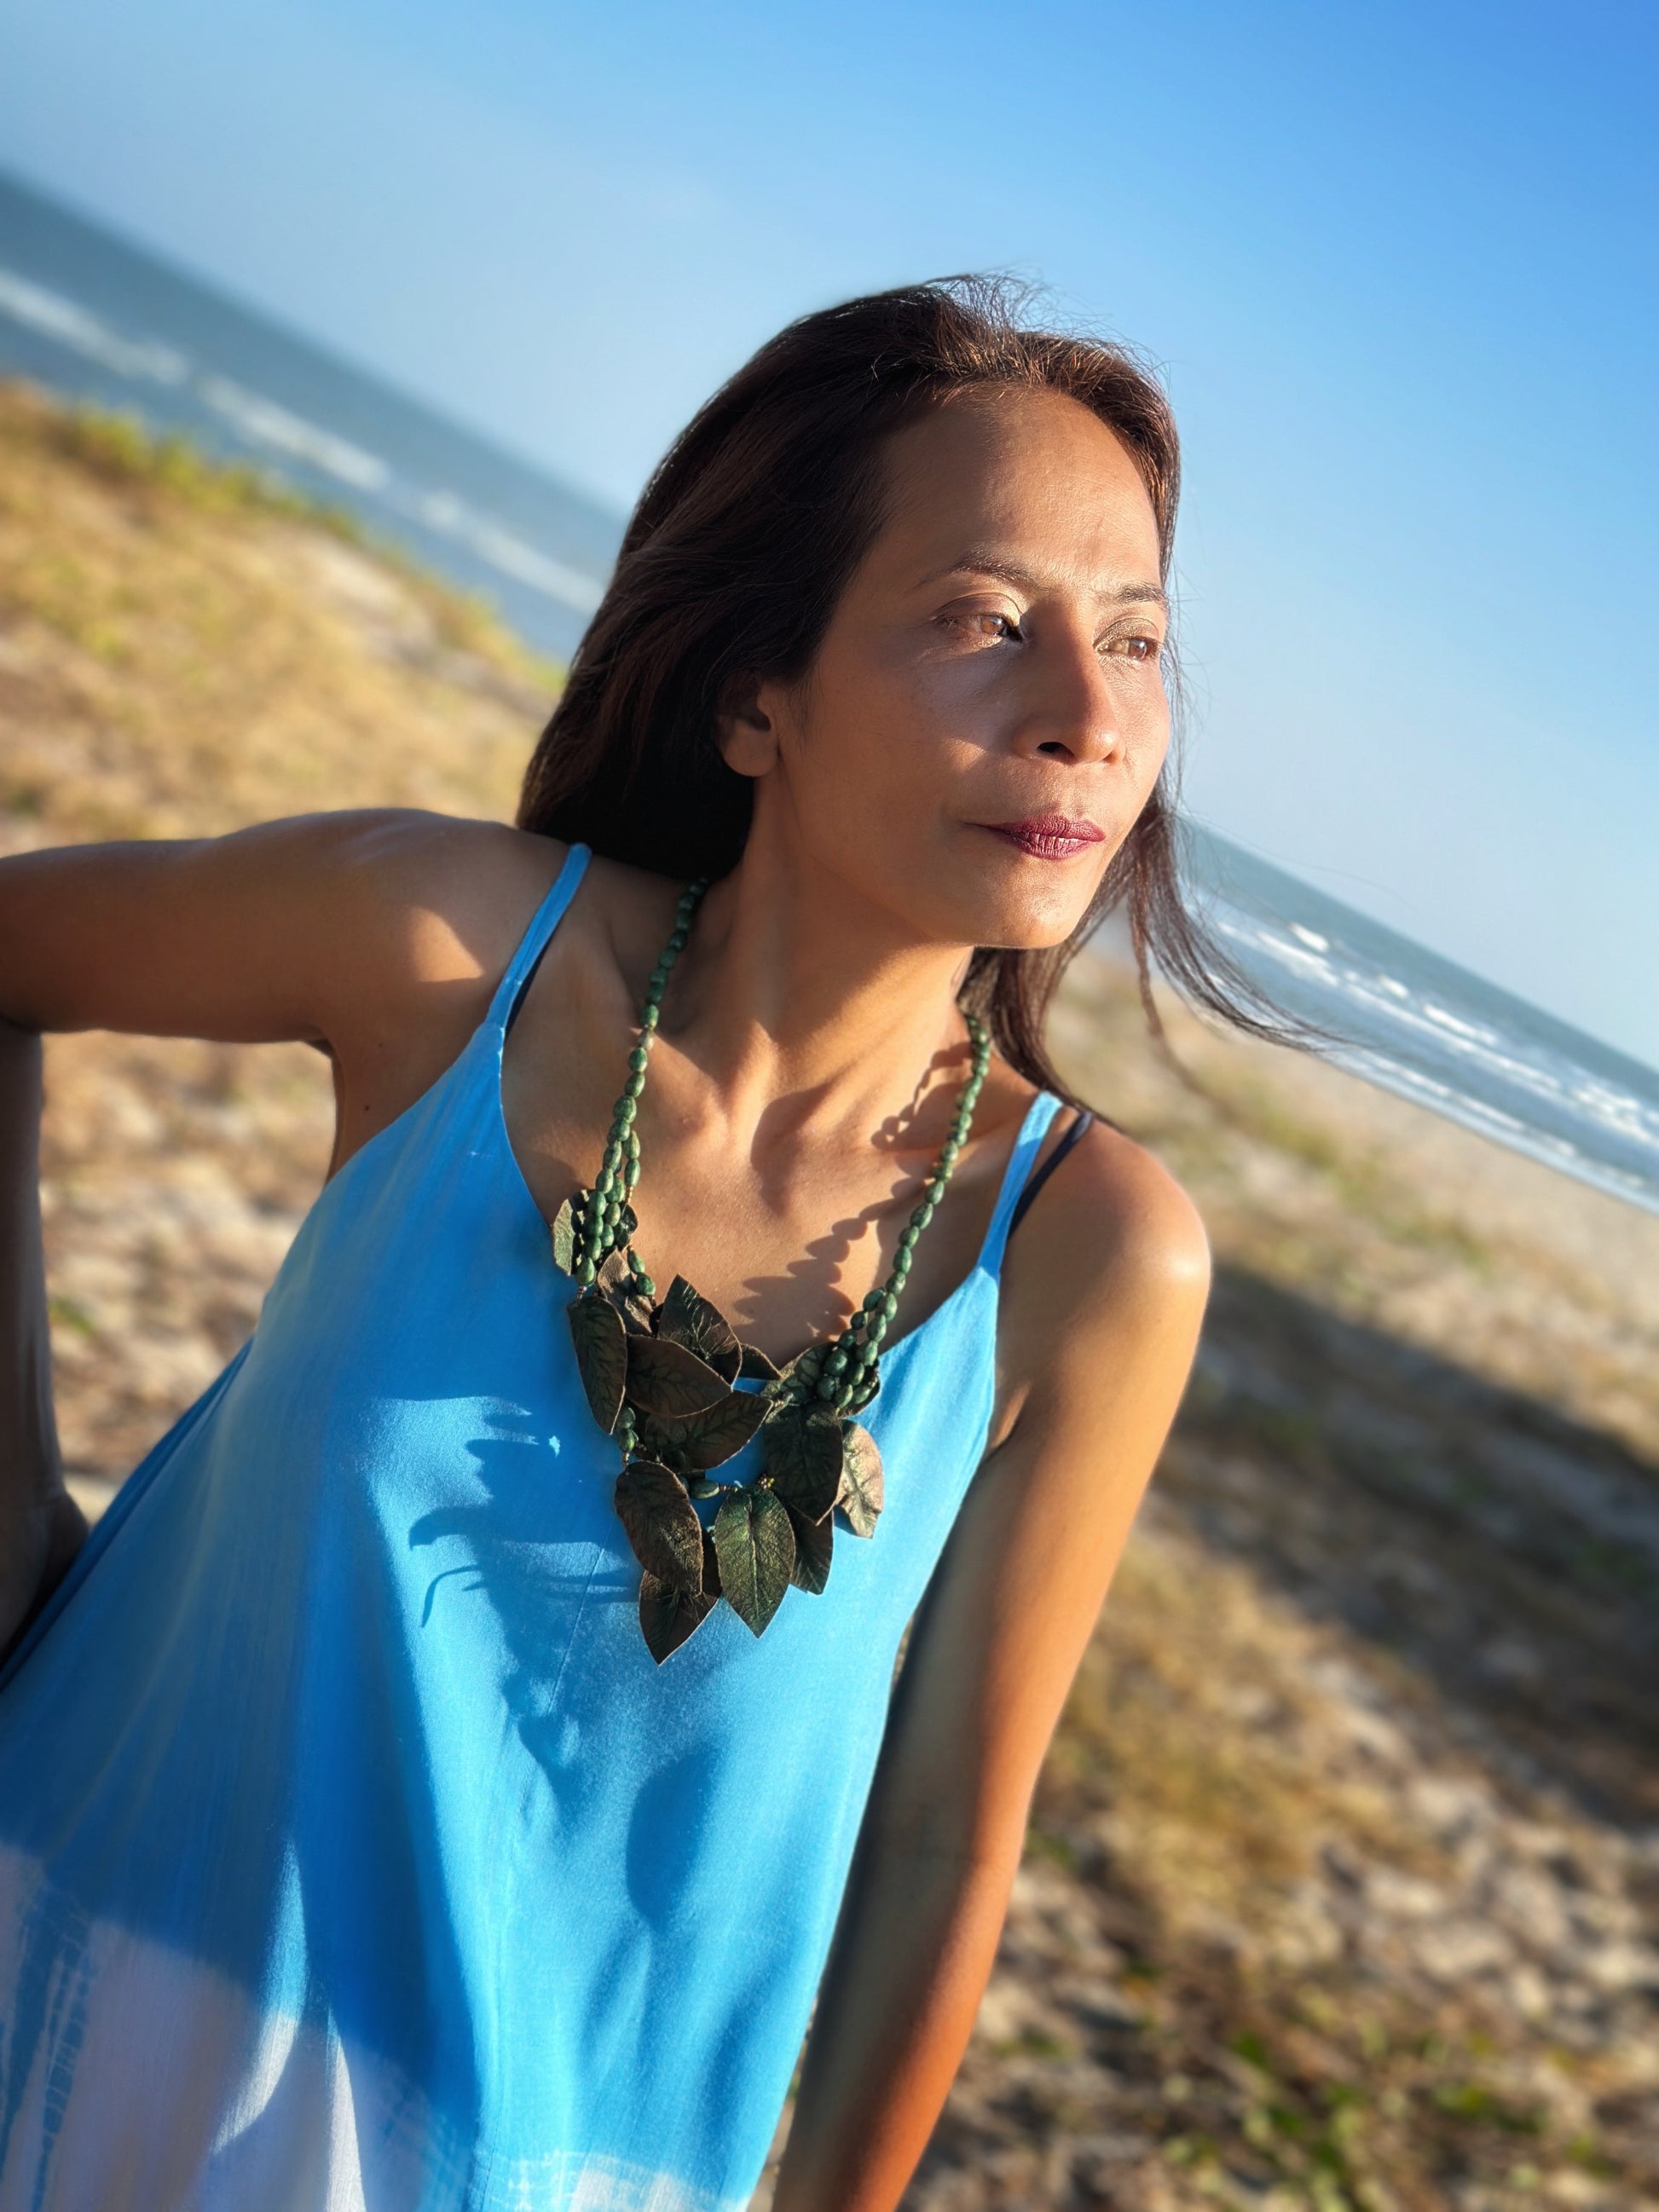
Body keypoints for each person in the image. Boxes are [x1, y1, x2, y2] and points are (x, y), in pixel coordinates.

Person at [0, 279, 1283, 2211]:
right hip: (50, 1977)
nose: (1089, 719)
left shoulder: (1094, 1251)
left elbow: (941, 1840)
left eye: (1136, 640)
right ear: (754, 695)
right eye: (980, 621)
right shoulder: (445, 950)